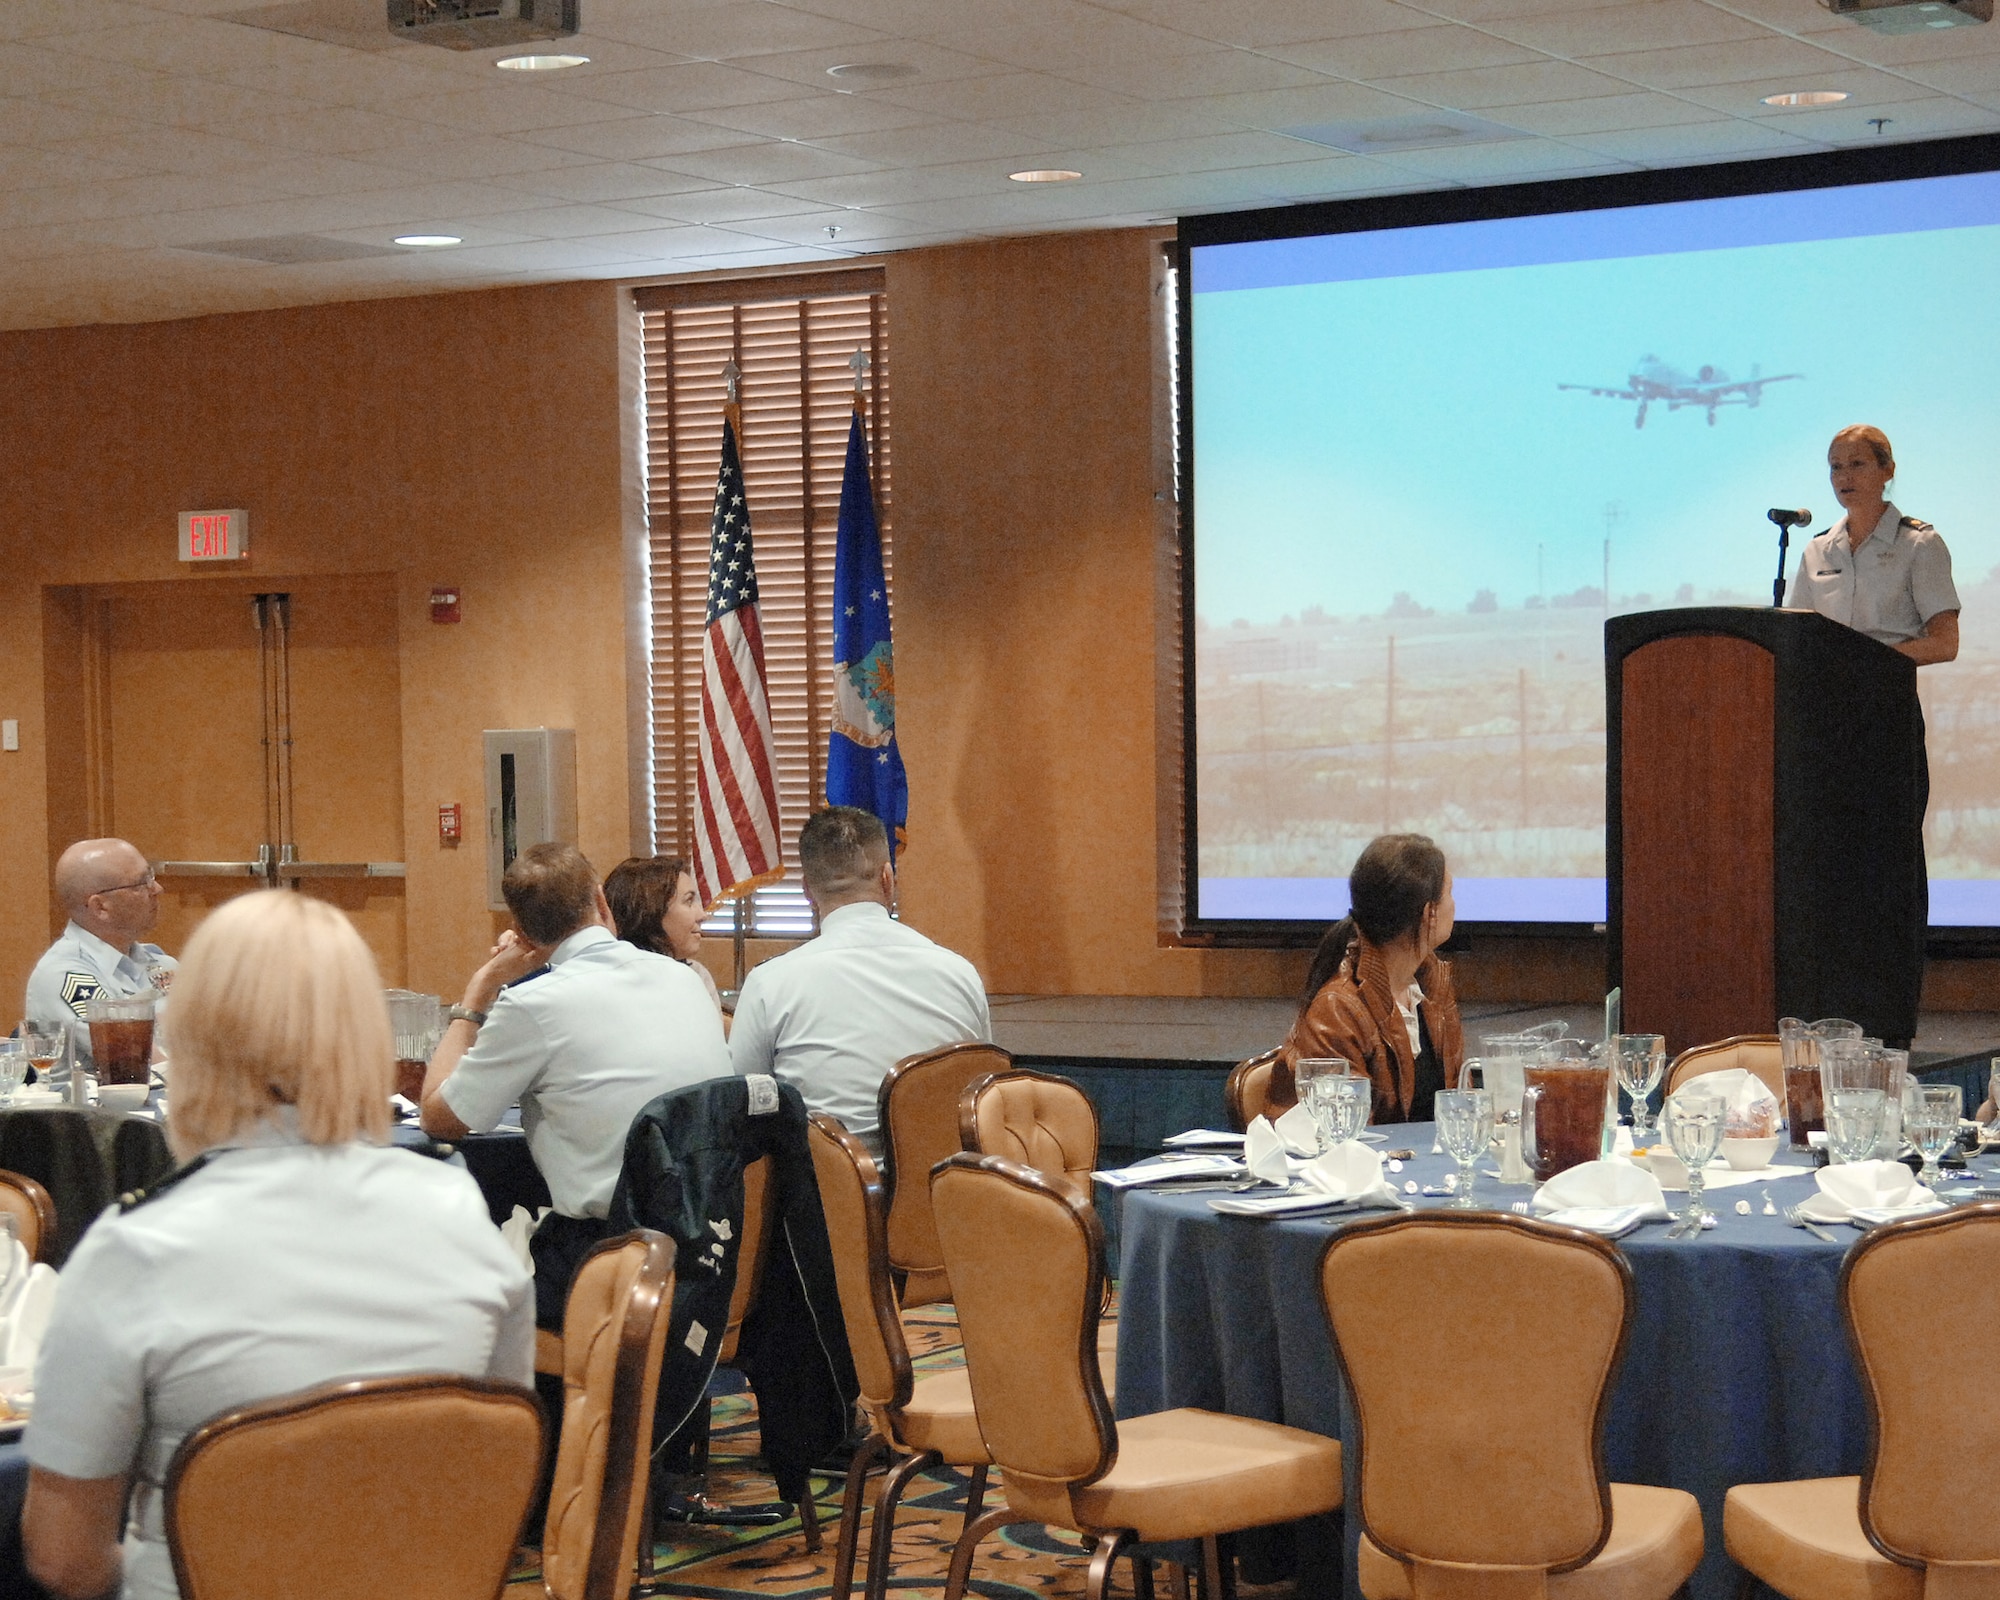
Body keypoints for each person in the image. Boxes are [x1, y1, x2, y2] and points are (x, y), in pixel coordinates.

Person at [20, 890, 532, 1600]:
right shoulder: (460, 1210)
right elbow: (497, 1463)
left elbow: (64, 1560)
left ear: (194, 1040)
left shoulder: (137, 1248)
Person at [422, 841, 730, 1329]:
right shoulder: (684, 979)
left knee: (450, 1273)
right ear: (602, 903)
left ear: (521, 930)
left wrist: (478, 994)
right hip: (709, 1245)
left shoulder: (531, 1005)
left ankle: (514, 1405)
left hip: (608, 1260)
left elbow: (439, 1119)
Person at [1787, 424, 1959, 1000]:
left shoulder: (1919, 544)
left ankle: (1888, 1000)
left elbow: (1943, 642)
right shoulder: (1816, 552)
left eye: (1857, 465)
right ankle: (1830, 995)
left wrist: (1867, 660)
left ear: (1887, 470)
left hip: (1884, 719)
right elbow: (1793, 644)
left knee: (1885, 868)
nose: (1843, 478)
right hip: (1823, 728)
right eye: (1835, 467)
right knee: (1827, 866)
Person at [730, 807, 990, 1158]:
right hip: (941, 1199)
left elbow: (744, 1105)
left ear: (807, 890)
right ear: (888, 878)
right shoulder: (961, 974)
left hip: (824, 1203)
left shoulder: (769, 984)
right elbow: (984, 1096)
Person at [1276, 833, 1465, 1125]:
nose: (1455, 904)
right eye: (1450, 892)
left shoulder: (1432, 986)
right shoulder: (1338, 1009)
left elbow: (1458, 1106)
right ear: (1429, 913)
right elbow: (1347, 1134)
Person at [25, 839, 176, 1069]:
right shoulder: (65, 976)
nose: (157, 889)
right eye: (141, 884)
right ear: (100, 907)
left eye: (151, 877)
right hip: (105, 1104)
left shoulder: (161, 964)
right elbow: (141, 1060)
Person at [605, 854, 724, 1017]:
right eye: (689, 901)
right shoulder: (606, 983)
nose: (702, 915)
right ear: (651, 912)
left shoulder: (697, 975)